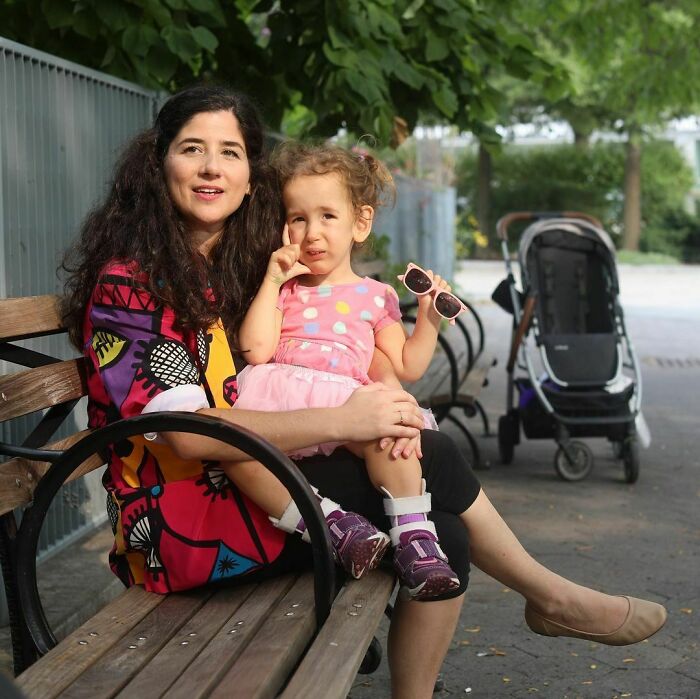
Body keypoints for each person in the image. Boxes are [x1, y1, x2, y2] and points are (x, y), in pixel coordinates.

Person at [61, 84, 667, 699]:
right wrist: (344, 420)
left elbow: (323, 351)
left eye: (231, 152)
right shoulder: (130, 284)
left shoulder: (231, 267)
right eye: (193, 149)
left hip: (255, 484)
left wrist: (380, 381)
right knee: (430, 456)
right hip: (187, 523)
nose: (213, 166)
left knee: (443, 527)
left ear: (251, 179)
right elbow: (190, 440)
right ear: (160, 161)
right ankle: (552, 597)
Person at [225, 140, 463, 600]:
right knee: (242, 455)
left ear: (360, 221)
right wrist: (273, 281)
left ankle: (415, 536)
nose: (312, 232)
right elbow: (256, 350)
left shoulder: (376, 296)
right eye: (298, 218)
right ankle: (332, 527)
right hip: (282, 405)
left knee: (391, 440)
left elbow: (408, 366)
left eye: (327, 216)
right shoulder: (285, 289)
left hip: (347, 405)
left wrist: (430, 318)